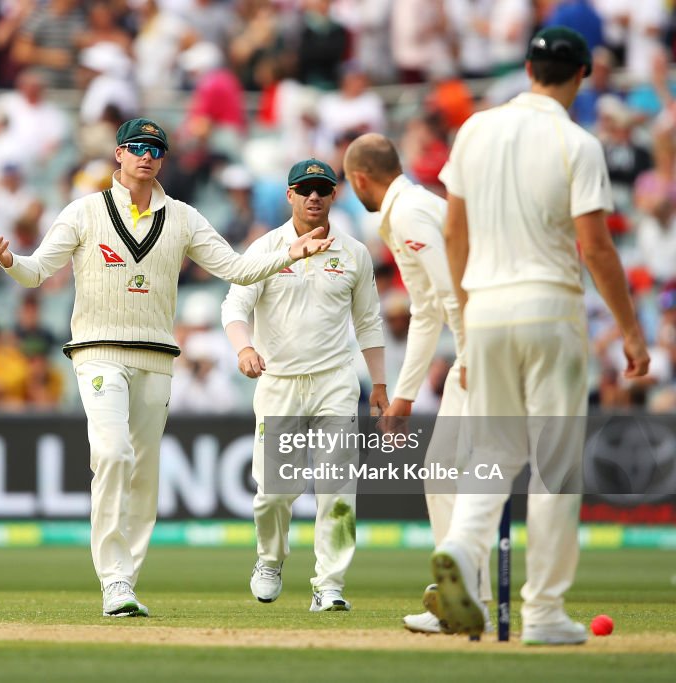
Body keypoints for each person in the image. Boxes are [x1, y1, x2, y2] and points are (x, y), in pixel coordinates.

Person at [0, 118, 333, 617]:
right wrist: (8, 258)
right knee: (114, 453)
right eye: (137, 147)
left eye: (156, 149)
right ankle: (113, 580)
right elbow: (37, 272)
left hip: (156, 356)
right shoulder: (84, 212)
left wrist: (286, 253)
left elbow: (235, 269)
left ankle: (128, 579)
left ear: (162, 160)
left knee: (143, 474)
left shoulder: (183, 217)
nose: (147, 155)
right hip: (98, 351)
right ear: (119, 154)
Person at [434, 28, 650, 643]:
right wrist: (631, 333)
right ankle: (546, 613)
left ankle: (461, 548)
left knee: (495, 451)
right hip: (549, 307)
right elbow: (597, 247)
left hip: (487, 310)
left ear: (528, 67)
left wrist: (469, 321)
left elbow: (455, 234)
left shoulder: (474, 128)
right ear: (581, 75)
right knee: (554, 466)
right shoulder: (575, 141)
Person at [220, 158, 387, 612]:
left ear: (335, 195)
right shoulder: (267, 248)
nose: (314, 196)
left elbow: (370, 323)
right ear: (289, 195)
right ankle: (270, 560)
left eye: (322, 188)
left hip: (335, 381)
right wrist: (244, 349)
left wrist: (381, 385)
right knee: (274, 492)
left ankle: (329, 584)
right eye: (305, 189)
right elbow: (234, 307)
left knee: (338, 488)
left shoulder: (353, 252)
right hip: (279, 383)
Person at [343, 133, 493, 633]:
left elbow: (454, 294)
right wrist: (405, 395)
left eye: (348, 182)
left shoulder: (407, 213)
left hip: (486, 344)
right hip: (479, 341)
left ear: (360, 179)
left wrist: (471, 355)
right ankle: (464, 597)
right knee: (443, 468)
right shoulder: (408, 210)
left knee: (453, 468)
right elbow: (427, 309)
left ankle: (465, 596)